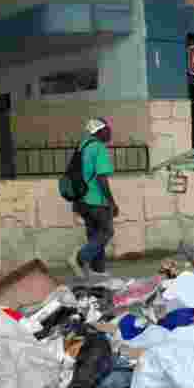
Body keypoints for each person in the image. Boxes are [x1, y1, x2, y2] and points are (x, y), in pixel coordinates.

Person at [68, 118, 120, 281]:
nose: (110, 132)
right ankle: (79, 258)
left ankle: (97, 269)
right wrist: (111, 201)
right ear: (99, 131)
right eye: (107, 129)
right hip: (95, 200)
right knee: (106, 232)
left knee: (94, 235)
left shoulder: (82, 147)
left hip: (81, 200)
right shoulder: (98, 148)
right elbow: (101, 178)